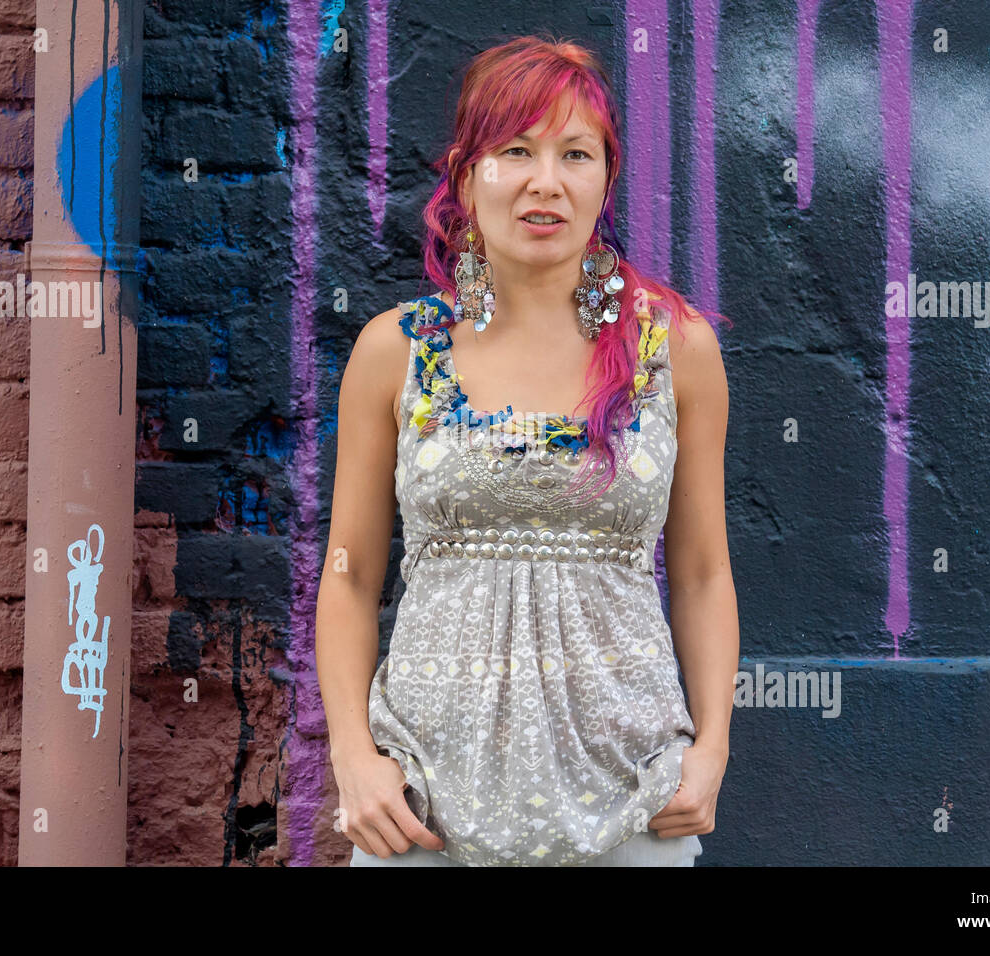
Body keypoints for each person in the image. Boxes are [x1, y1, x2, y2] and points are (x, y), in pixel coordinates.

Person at [315, 33, 738, 867]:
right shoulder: (395, 350)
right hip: (422, 806)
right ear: (467, 176)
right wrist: (354, 761)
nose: (547, 181)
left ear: (605, 179)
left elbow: (700, 572)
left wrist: (713, 749)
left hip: (632, 804)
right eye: (516, 150)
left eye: (575, 154)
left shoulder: (674, 348)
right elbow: (350, 575)